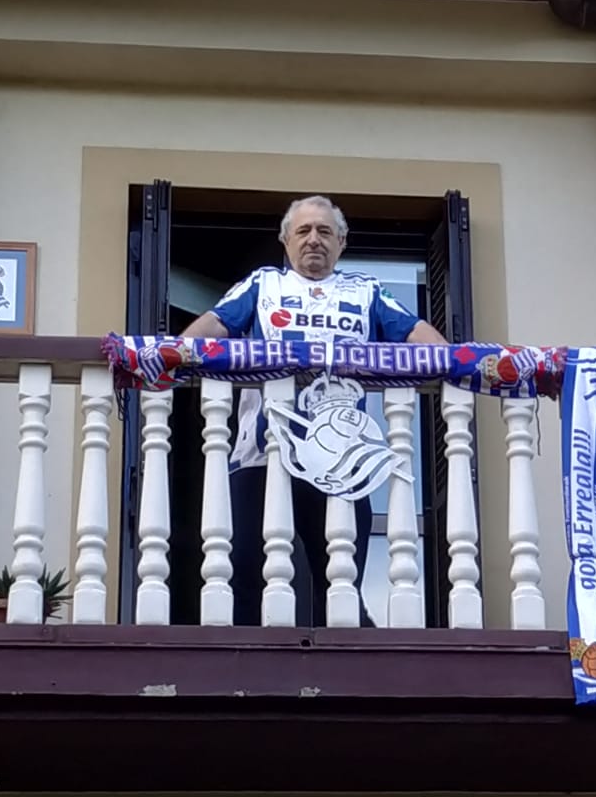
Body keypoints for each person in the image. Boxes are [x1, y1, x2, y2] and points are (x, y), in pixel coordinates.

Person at [180, 195, 448, 628]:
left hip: (339, 458)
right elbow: (209, 329)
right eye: (303, 231)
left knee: (340, 576)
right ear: (285, 241)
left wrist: (459, 368)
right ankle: (248, 672)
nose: (314, 240)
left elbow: (423, 339)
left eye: (325, 231)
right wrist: (173, 358)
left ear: (342, 242)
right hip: (261, 454)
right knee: (245, 567)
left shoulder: (365, 291)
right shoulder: (262, 286)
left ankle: (346, 676)